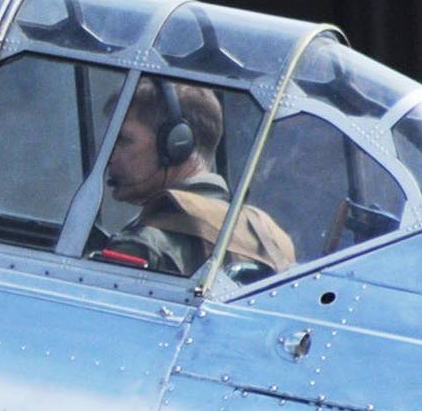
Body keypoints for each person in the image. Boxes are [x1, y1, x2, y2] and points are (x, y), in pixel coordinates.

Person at [93, 78, 294, 278]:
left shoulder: (143, 246)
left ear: (175, 144)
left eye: (123, 140)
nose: (109, 155)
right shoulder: (270, 236)